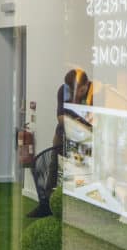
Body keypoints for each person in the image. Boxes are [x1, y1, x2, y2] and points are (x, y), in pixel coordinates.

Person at [28, 68, 93, 218]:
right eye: (73, 92)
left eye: (80, 91)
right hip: (62, 135)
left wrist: (77, 124)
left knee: (79, 173)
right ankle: (46, 206)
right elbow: (60, 118)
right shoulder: (63, 90)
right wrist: (79, 123)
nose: (76, 95)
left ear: (86, 84)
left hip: (84, 142)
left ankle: (76, 210)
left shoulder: (94, 93)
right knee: (53, 169)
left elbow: (93, 123)